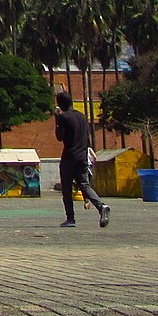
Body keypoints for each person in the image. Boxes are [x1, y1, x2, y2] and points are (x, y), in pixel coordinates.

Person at [53, 91, 109, 228]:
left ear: (60, 104)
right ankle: (101, 206)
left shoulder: (64, 118)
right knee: (84, 184)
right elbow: (86, 137)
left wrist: (57, 120)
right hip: (82, 156)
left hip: (69, 157)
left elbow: (60, 137)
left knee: (66, 188)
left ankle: (70, 219)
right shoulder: (82, 117)